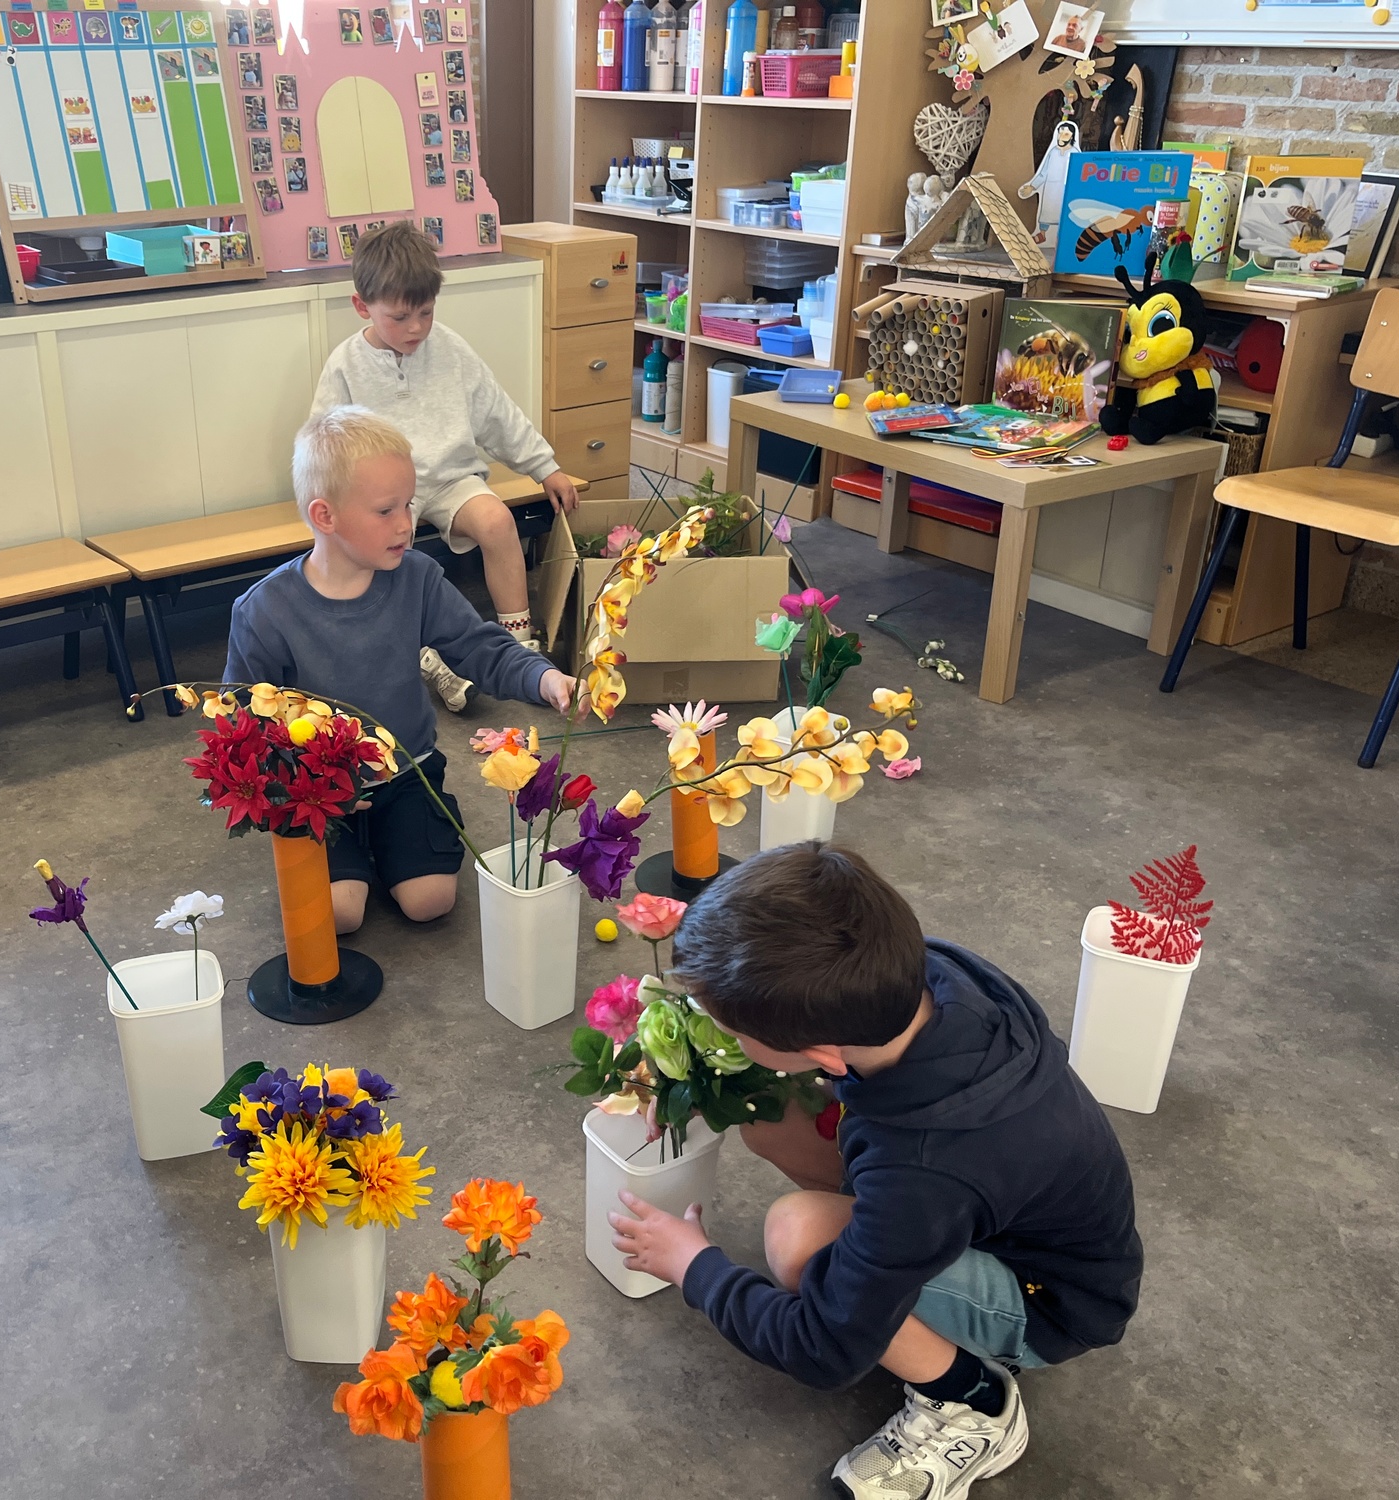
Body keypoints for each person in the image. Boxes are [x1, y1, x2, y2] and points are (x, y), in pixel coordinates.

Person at [608, 844, 1143, 1499]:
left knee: (798, 1239)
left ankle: (974, 1402)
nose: (717, 1030)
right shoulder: (926, 975)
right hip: (989, 1200)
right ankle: (889, 1268)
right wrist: (690, 1076)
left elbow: (822, 1349)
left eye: (729, 1029)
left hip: (1050, 1302)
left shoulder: (924, 1171)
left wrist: (694, 1266)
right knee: (768, 1120)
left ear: (823, 1053)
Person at [224, 407, 573, 934]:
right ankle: (351, 860)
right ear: (325, 516)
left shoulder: (418, 578)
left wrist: (543, 678)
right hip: (317, 791)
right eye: (385, 510)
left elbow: (478, 647)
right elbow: (243, 724)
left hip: (408, 771)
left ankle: (388, 846)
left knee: (429, 901)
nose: (406, 523)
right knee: (339, 915)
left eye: (408, 504)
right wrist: (291, 788)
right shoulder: (264, 610)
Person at [310, 221, 578, 711]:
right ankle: (426, 656)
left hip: (452, 478)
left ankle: (517, 646)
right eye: (400, 317)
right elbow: (326, 442)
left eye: (426, 313)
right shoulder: (345, 365)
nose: (416, 328)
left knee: (498, 521)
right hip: (388, 493)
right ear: (362, 306)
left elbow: (497, 414)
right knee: (392, 548)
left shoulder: (451, 349)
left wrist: (545, 466)